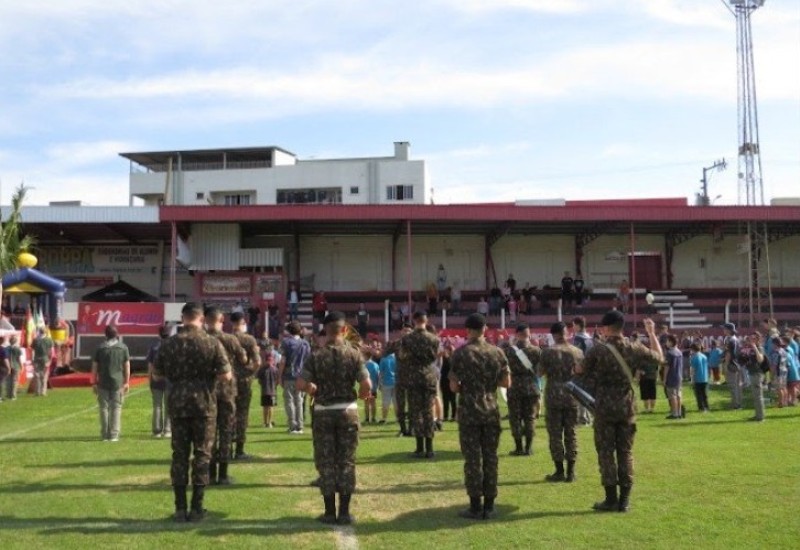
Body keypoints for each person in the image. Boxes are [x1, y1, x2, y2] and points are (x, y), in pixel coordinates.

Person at [153, 302, 232, 523]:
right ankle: (197, 508)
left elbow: (157, 375)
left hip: (178, 404)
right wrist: (206, 379)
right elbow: (226, 375)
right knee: (202, 455)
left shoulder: (168, 345)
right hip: (204, 405)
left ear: (183, 317)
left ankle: (180, 508)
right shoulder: (211, 343)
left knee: (179, 455)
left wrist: (177, 377)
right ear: (201, 318)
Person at [580, 311, 662, 513]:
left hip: (604, 408)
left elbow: (581, 371)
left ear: (606, 328)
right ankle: (624, 500)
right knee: (625, 453)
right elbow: (659, 358)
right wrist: (651, 333)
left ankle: (610, 499)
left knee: (606, 453)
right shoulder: (634, 348)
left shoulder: (597, 351)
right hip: (626, 408)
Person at [297, 311, 371, 525]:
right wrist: (365, 395)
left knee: (326, 462)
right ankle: (345, 512)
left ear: (326, 331)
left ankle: (329, 512)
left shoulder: (316, 355)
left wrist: (311, 387)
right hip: (347, 411)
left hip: (322, 413)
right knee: (346, 461)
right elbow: (367, 384)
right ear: (344, 330)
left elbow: (301, 383)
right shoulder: (354, 354)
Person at [449, 313, 511, 520]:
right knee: (491, 458)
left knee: (473, 459)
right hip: (491, 409)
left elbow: (454, 386)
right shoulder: (498, 353)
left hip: (469, 410)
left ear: (467, 330)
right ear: (485, 329)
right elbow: (506, 383)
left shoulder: (460, 354)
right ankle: (490, 505)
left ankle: (475, 506)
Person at [206, 307, 246, 484]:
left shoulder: (202, 339)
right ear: (221, 320)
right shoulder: (230, 339)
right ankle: (223, 474)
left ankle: (210, 472)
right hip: (227, 390)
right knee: (226, 431)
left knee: (209, 432)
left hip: (207, 390)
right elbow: (243, 359)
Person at [540, 322, 583, 482]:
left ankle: (559, 471)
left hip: (553, 396)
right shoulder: (577, 352)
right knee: (571, 433)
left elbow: (540, 372)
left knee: (555, 434)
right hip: (572, 395)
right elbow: (582, 372)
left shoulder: (547, 352)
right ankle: (571, 472)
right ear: (567, 333)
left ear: (553, 334)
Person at [399, 311, 441, 459]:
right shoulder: (434, 339)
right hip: (429, 376)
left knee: (416, 413)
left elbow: (402, 356)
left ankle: (419, 448)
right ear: (426, 320)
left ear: (414, 320)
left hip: (413, 378)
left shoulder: (407, 339)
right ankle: (430, 449)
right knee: (428, 412)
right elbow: (435, 355)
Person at [504, 322, 541, 457]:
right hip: (531, 386)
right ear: (528, 334)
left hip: (514, 387)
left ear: (517, 334)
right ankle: (528, 448)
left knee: (515, 418)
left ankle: (519, 447)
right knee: (530, 418)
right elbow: (540, 370)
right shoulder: (536, 350)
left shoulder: (509, 351)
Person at [90, 325, 130, 442]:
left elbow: (94, 366)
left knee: (103, 408)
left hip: (103, 382)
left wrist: (93, 382)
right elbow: (127, 366)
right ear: (117, 334)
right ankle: (114, 434)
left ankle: (104, 434)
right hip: (117, 382)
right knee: (116, 408)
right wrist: (127, 381)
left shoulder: (100, 348)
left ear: (105, 335)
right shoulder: (123, 348)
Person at [230, 311, 261, 459]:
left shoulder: (225, 338)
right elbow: (257, 362)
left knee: (227, 414)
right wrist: (250, 373)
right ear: (243, 322)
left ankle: (226, 448)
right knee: (242, 414)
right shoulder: (249, 340)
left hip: (227, 381)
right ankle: (239, 450)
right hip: (244, 381)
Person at [279, 320, 311, 434]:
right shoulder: (305, 343)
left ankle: (292, 425)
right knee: (299, 400)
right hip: (302, 375)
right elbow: (308, 361)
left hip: (289, 375)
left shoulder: (286, 342)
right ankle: (300, 425)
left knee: (289, 400)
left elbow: (282, 361)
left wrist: (279, 376)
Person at [147, 326, 173, 438]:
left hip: (156, 379)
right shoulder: (173, 347)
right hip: (170, 380)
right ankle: (167, 430)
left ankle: (157, 431)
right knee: (168, 406)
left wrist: (150, 379)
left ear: (159, 334)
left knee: (157, 406)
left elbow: (150, 366)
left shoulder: (154, 347)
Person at [737, 333, 766, 422]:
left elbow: (760, 359)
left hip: (757, 374)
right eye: (750, 338)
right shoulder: (749, 348)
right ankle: (757, 415)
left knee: (758, 396)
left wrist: (755, 347)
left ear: (757, 339)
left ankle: (760, 417)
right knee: (755, 396)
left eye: (753, 338)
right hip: (751, 373)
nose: (750, 340)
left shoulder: (759, 348)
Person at [256, 344, 279, 428]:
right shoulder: (265, 370)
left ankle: (268, 422)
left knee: (270, 407)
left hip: (270, 391)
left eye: (270, 360)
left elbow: (259, 380)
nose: (269, 362)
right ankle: (266, 422)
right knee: (266, 407)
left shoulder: (270, 369)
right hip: (268, 391)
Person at [721, 323, 743, 410]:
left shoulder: (730, 340)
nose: (723, 330)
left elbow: (728, 353)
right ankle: (738, 403)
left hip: (731, 364)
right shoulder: (735, 339)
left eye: (724, 328)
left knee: (733, 386)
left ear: (729, 330)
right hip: (736, 364)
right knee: (737, 385)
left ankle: (735, 404)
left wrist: (726, 365)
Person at [663, 334, 684, 420]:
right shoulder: (679, 352)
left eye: (667, 341)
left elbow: (667, 367)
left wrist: (664, 378)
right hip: (679, 376)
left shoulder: (669, 353)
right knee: (679, 395)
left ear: (671, 342)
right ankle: (679, 412)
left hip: (671, 376)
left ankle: (674, 413)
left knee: (672, 395)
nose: (666, 343)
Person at [31, 328, 54, 396]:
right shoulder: (49, 340)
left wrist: (32, 359)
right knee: (44, 375)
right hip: (45, 358)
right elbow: (51, 352)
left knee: (37, 375)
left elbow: (32, 351)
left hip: (37, 358)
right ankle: (43, 391)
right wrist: (50, 360)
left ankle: (37, 391)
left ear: (39, 332)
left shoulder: (35, 340)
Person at [690, 342, 710, 412]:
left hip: (698, 378)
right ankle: (706, 406)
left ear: (692, 349)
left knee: (698, 394)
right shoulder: (704, 356)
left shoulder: (694, 358)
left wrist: (692, 379)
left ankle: (701, 407)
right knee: (704, 394)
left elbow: (693, 369)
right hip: (705, 378)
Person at [440, 339, 457, 421]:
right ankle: (447, 415)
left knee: (451, 399)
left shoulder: (452, 359)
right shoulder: (445, 358)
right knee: (446, 399)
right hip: (446, 380)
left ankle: (452, 415)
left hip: (450, 380)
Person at [4, 334, 22, 400]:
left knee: (8, 380)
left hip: (8, 366)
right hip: (16, 366)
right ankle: (13, 395)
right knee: (15, 381)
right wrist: (21, 366)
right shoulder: (17, 349)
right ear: (16, 341)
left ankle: (8, 394)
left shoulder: (6, 348)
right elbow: (19, 359)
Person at [364, 350, 380, 423]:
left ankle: (367, 418)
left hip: (366, 387)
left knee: (366, 403)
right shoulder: (375, 365)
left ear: (366, 356)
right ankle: (373, 418)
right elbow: (378, 375)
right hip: (373, 386)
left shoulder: (364, 365)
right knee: (373, 403)